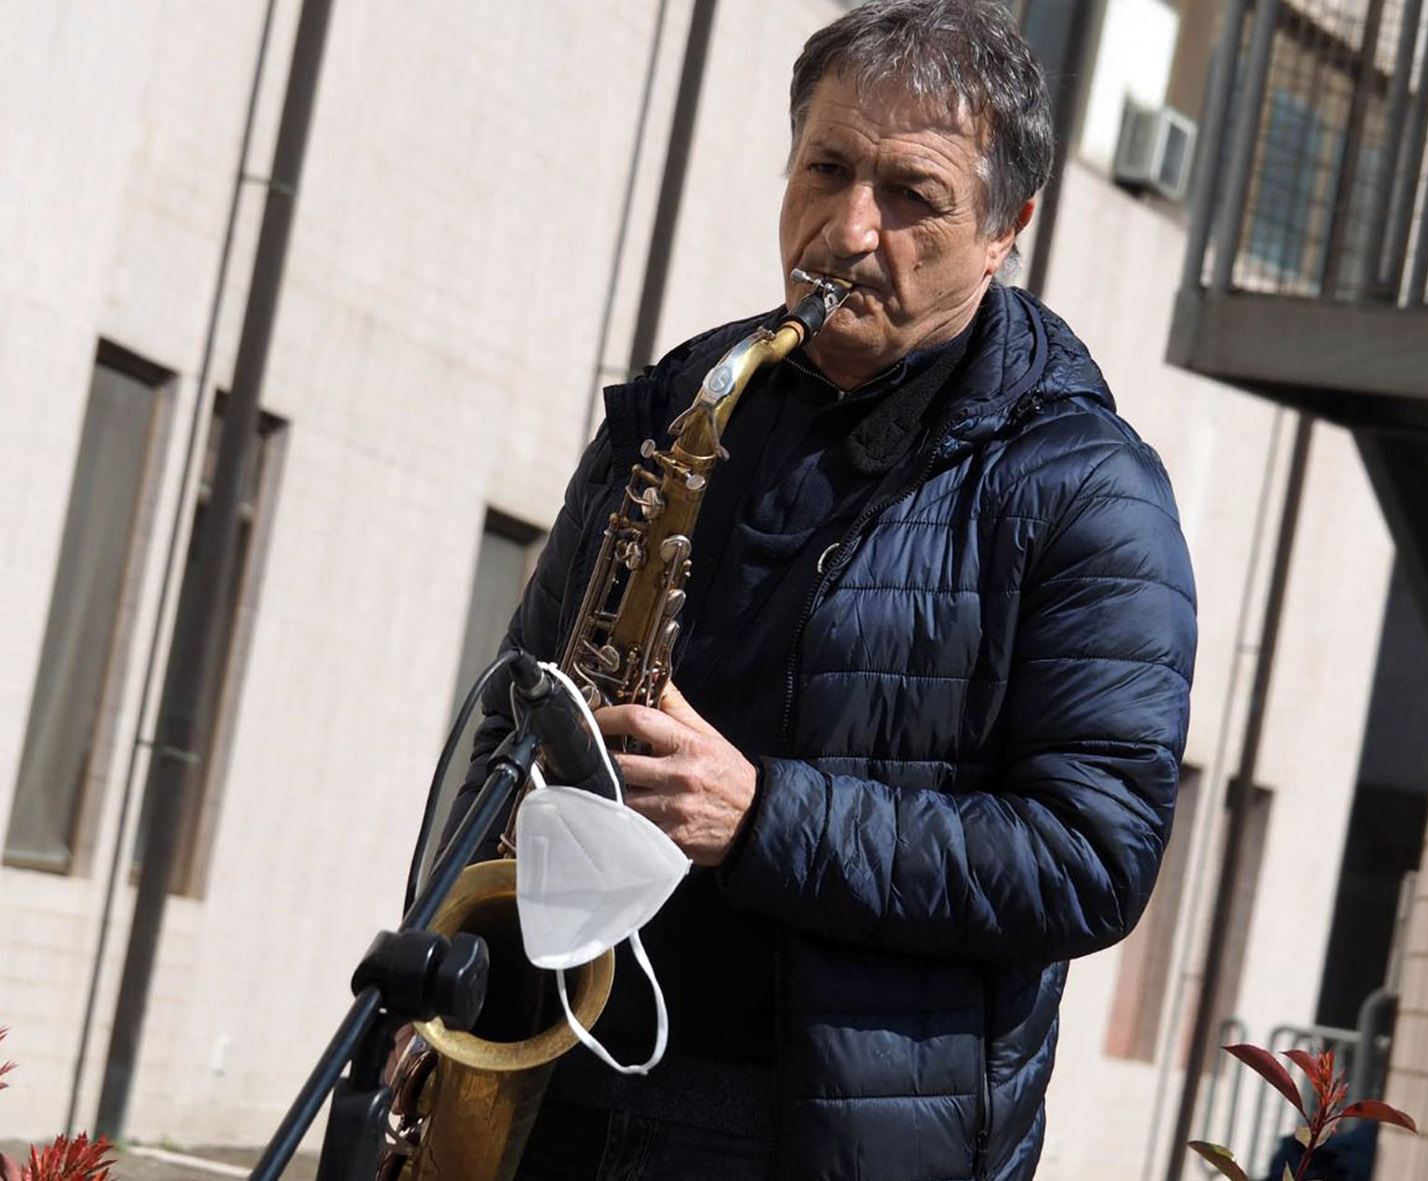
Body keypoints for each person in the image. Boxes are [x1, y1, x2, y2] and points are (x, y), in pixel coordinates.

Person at [446, 1, 1196, 1177]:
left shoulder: (1088, 491)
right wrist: (448, 999)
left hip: (812, 1138)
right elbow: (521, 713)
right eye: (827, 168)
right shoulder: (686, 400)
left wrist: (760, 819)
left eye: (912, 195)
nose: (848, 230)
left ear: (1008, 230)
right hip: (557, 1086)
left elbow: (1091, 854)